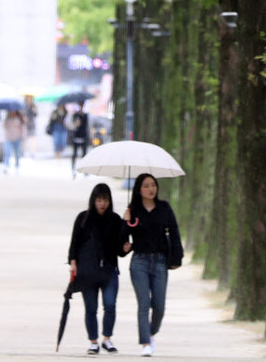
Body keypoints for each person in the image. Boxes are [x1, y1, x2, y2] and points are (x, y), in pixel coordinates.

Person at [123, 173, 184, 357]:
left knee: (159, 306)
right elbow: (122, 239)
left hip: (159, 261)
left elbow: (174, 233)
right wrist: (125, 222)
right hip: (139, 261)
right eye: (146, 186)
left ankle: (151, 332)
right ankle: (145, 344)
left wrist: (176, 258)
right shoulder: (133, 210)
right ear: (139, 190)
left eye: (153, 185)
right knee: (144, 304)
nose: (151, 189)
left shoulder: (164, 208)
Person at [68, 183, 131, 355]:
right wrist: (73, 262)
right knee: (91, 307)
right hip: (88, 270)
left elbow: (120, 249)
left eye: (105, 200)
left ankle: (107, 338)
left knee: (110, 304)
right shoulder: (83, 218)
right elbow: (74, 244)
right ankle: (93, 341)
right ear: (93, 200)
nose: (102, 204)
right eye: (99, 200)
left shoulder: (116, 220)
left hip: (109, 269)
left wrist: (126, 242)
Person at [67, 103, 89, 170]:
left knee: (84, 153)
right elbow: (70, 125)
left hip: (84, 136)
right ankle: (73, 166)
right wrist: (75, 125)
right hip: (76, 135)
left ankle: (84, 167)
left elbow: (88, 125)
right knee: (74, 153)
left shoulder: (86, 115)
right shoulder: (75, 115)